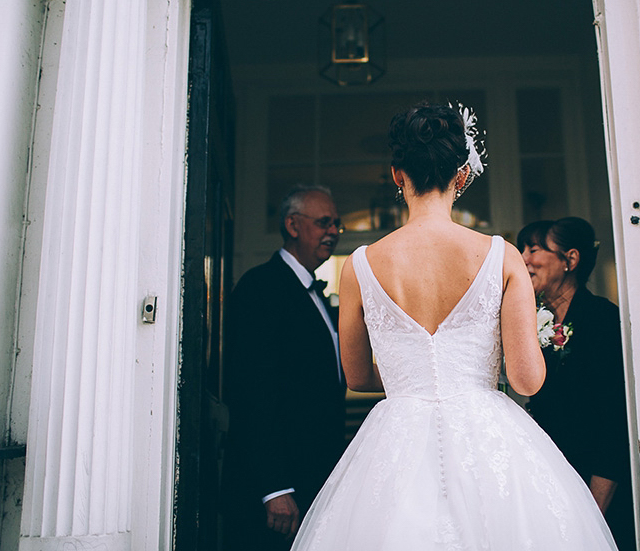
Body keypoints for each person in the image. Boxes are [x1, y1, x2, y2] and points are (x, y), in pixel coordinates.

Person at [289, 103, 618, 551]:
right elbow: (527, 379)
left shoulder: (359, 266)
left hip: (396, 435)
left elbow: (358, 376)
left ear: (396, 174)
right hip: (486, 433)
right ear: (461, 176)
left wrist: (413, 377)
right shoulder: (502, 256)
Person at [222, 185, 347, 551]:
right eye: (325, 222)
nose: (334, 232)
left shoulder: (317, 294)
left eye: (337, 224)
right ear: (293, 225)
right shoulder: (261, 287)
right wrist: (274, 486)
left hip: (313, 473)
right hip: (278, 489)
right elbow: (250, 391)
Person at [517, 217, 636, 551]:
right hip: (551, 479)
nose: (524, 258)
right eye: (522, 248)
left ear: (570, 260)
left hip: (595, 487)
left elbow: (614, 421)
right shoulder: (530, 321)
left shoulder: (600, 319)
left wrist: (591, 516)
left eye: (534, 249)